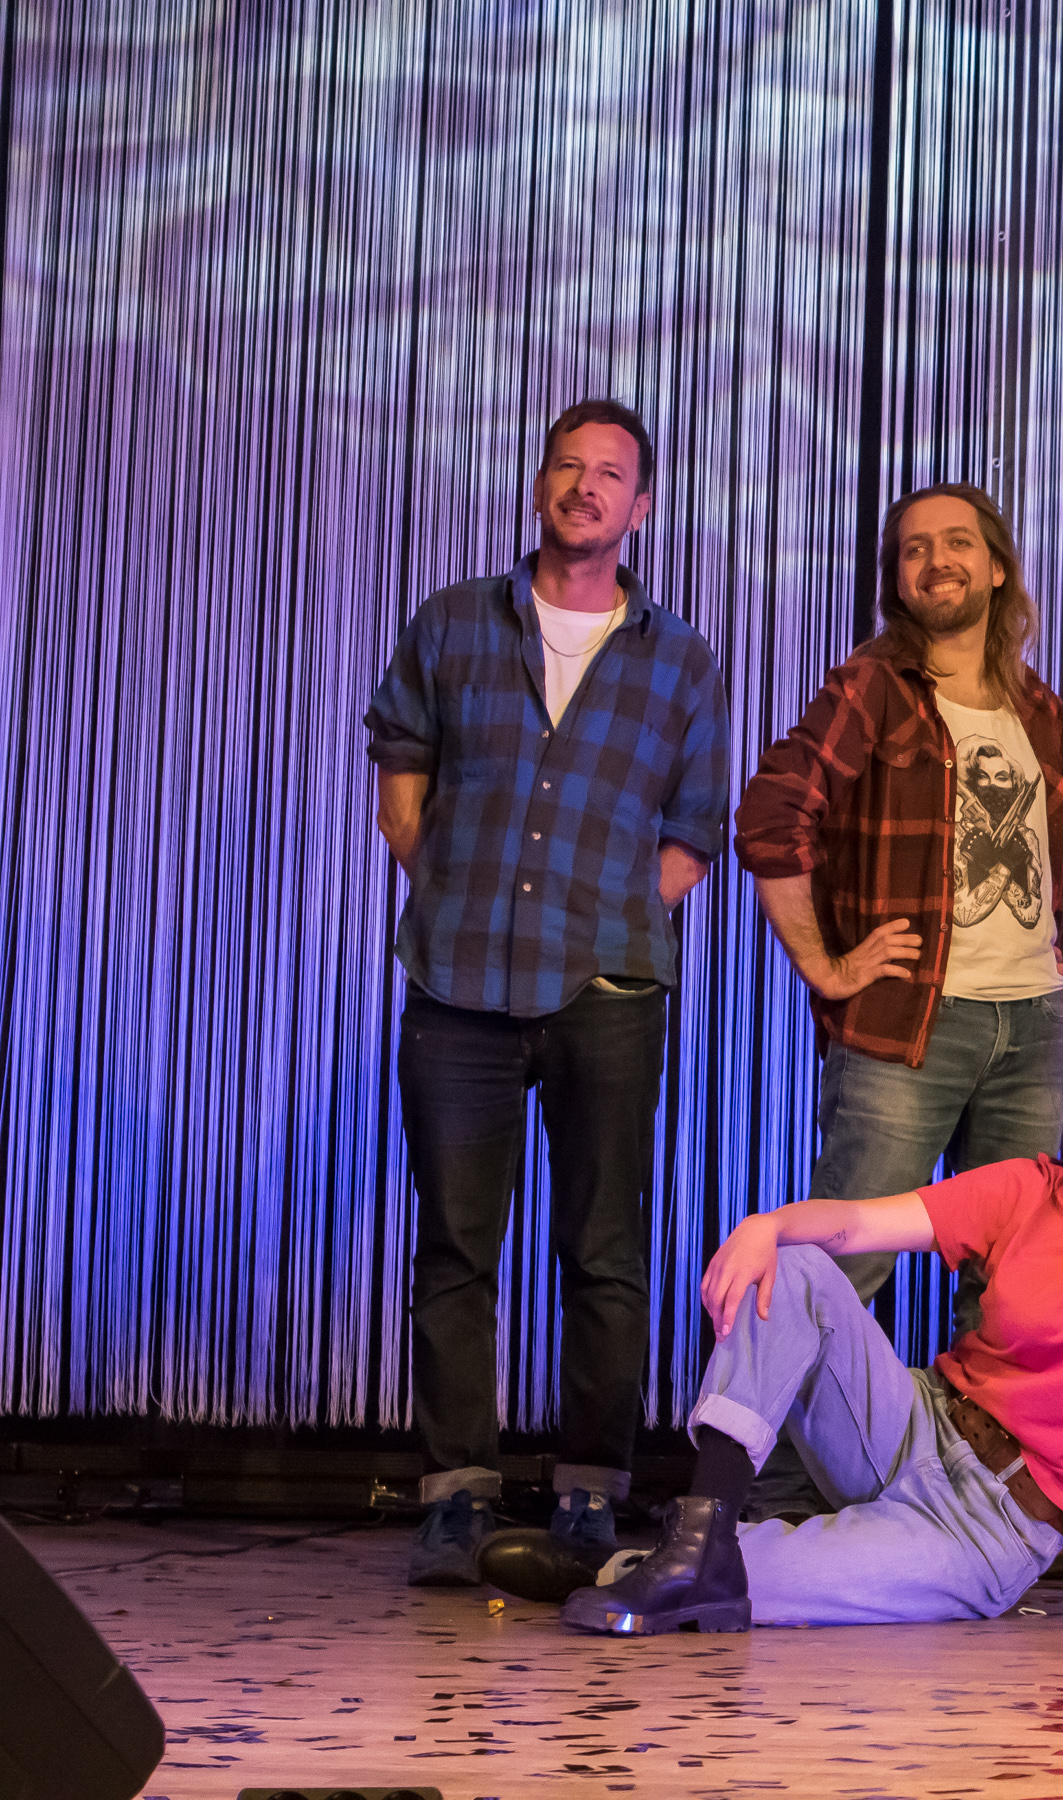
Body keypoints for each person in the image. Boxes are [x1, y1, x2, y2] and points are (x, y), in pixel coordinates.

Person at [480, 978, 1063, 1632]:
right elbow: (854, 1224)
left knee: (747, 1589)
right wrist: (766, 1226)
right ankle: (700, 1531)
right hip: (914, 1424)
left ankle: (626, 1567)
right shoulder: (1030, 1189)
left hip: (994, 1528)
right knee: (799, 1267)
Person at [364, 398, 729, 1587]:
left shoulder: (681, 656)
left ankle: (588, 1495)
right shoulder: (454, 619)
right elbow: (402, 767)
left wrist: (606, 921)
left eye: (610, 472)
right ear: (538, 487)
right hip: (459, 980)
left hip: (606, 989)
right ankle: (455, 1498)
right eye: (568, 465)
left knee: (602, 1249)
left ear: (641, 505)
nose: (586, 486)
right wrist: (457, 888)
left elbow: (693, 831)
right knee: (456, 1246)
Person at [735, 482, 1063, 1321]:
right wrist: (825, 966)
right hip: (909, 1024)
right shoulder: (875, 685)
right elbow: (772, 814)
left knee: (1013, 1291)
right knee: (838, 1280)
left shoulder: (1036, 705)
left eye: (957, 543)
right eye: (915, 549)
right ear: (898, 579)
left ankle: (967, 1421)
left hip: (1032, 1032)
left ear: (996, 568)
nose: (936, 561)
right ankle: (782, 1420)